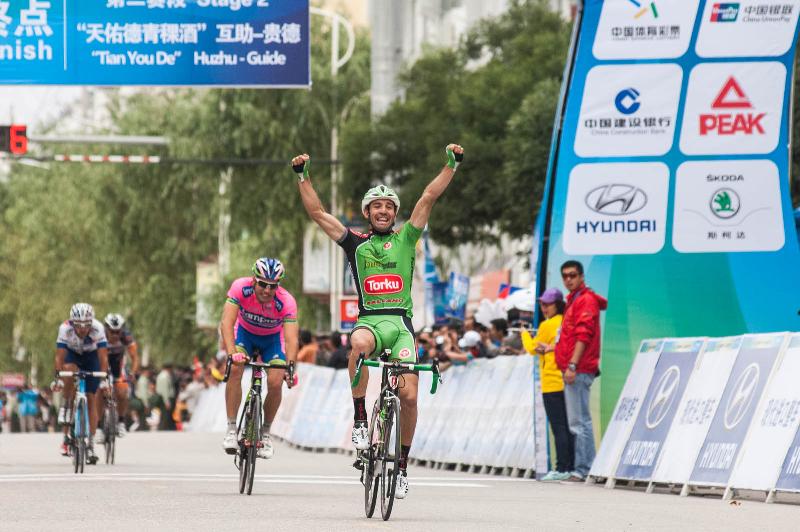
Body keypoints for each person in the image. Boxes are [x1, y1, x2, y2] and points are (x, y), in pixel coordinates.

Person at [293, 143, 464, 499]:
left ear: (394, 213)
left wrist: (451, 165)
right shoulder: (355, 243)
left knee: (410, 397)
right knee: (357, 344)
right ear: (367, 213)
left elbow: (429, 196)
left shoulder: (407, 238)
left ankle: (401, 468)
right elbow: (318, 213)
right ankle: (359, 418)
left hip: (400, 326)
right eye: (377, 206)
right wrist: (303, 177)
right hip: (370, 322)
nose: (383, 211)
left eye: (389, 206)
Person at [220, 257, 299, 459]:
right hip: (244, 335)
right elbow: (227, 324)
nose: (267, 290)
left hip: (272, 340)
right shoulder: (240, 288)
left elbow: (291, 339)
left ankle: (265, 433)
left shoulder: (286, 301)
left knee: (275, 382)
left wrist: (291, 368)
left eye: (272, 286)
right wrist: (231, 354)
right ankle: (230, 429)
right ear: (254, 280)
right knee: (236, 368)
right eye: (263, 284)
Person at [554, 260, 607, 481]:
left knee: (579, 421)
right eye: (565, 276)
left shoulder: (584, 301)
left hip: (578, 368)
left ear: (581, 276)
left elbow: (583, 335)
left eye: (573, 275)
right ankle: (584, 467)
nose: (569, 279)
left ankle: (584, 469)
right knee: (578, 420)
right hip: (575, 367)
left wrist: (573, 365)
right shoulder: (574, 300)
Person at [521, 288, 573, 481]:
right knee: (568, 426)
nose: (543, 308)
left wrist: (525, 333)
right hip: (565, 381)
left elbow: (531, 349)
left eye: (547, 304)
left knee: (558, 427)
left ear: (557, 304)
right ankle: (570, 466)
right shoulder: (566, 322)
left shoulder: (547, 325)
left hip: (551, 382)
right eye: (542, 304)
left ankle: (561, 468)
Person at [53, 303, 109, 463]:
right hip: (72, 355)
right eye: (79, 325)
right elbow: (59, 357)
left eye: (86, 325)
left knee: (91, 398)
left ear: (91, 322)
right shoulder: (64, 328)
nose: (83, 329)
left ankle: (90, 444)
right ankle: (67, 402)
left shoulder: (98, 328)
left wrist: (104, 379)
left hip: (91, 357)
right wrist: (58, 379)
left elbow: (103, 357)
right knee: (69, 370)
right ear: (72, 323)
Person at [97, 313, 139, 439]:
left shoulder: (126, 337)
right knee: (100, 392)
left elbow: (135, 358)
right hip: (100, 363)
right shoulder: (99, 336)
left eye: (118, 331)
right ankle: (99, 426)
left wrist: (132, 372)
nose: (115, 335)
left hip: (117, 364)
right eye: (112, 331)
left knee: (122, 391)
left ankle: (121, 421)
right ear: (106, 329)